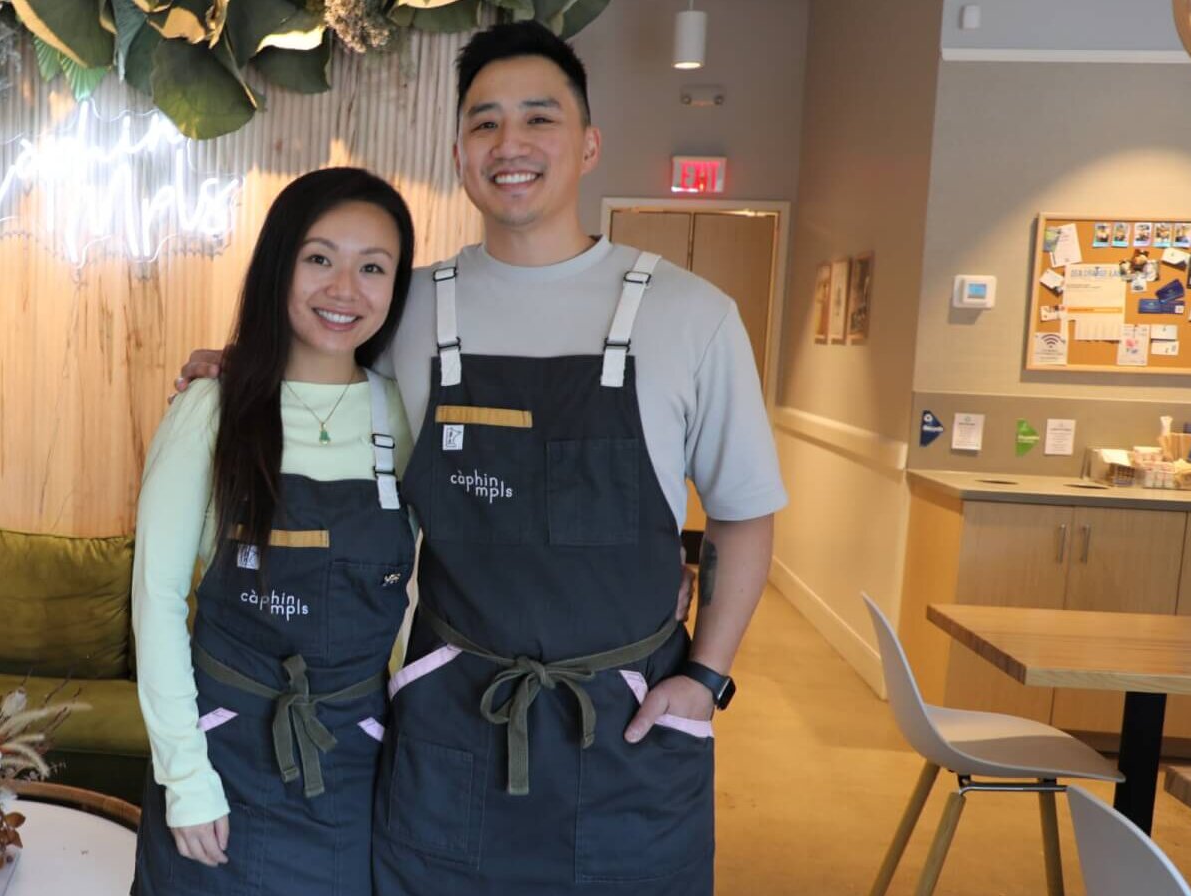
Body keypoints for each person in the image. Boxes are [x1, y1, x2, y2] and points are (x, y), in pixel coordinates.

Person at [177, 21, 786, 895]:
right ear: (461, 152)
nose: (511, 145)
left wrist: (706, 678)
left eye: (538, 119)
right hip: (451, 731)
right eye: (483, 123)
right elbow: (324, 358)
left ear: (587, 142)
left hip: (629, 736)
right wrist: (245, 367)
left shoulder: (692, 315)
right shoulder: (411, 308)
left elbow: (742, 514)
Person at [130, 167, 419, 895]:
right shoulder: (212, 409)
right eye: (319, 258)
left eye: (373, 267)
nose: (344, 289)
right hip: (223, 759)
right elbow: (157, 600)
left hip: (355, 764)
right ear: (278, 265)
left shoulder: (404, 416)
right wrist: (184, 776)